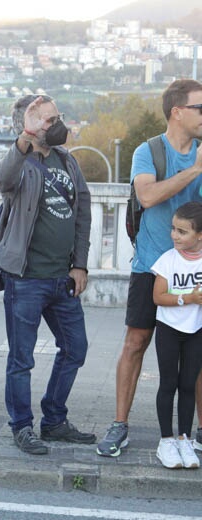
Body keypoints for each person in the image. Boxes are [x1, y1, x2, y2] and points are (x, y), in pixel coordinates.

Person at [99, 79, 202, 458]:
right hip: (151, 267)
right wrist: (194, 171)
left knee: (196, 349)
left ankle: (197, 433)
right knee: (136, 343)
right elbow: (147, 194)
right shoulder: (149, 152)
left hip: (194, 269)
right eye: (200, 108)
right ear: (178, 111)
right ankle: (119, 424)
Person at [0, 94, 95, 455]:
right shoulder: (21, 162)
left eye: (57, 117)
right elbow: (1, 180)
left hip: (62, 279)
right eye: (49, 121)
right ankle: (22, 426)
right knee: (22, 357)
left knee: (75, 348)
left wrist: (79, 264)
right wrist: (23, 140)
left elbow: (83, 214)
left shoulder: (67, 161)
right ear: (31, 126)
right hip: (26, 279)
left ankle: (54, 420)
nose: (57, 125)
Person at [150, 202, 202, 469]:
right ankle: (166, 441)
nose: (174, 235)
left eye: (182, 231)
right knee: (168, 384)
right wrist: (188, 298)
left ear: (199, 235)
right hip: (169, 331)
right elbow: (158, 297)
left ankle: (184, 438)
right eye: (174, 229)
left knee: (188, 385)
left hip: (196, 332)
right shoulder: (168, 260)